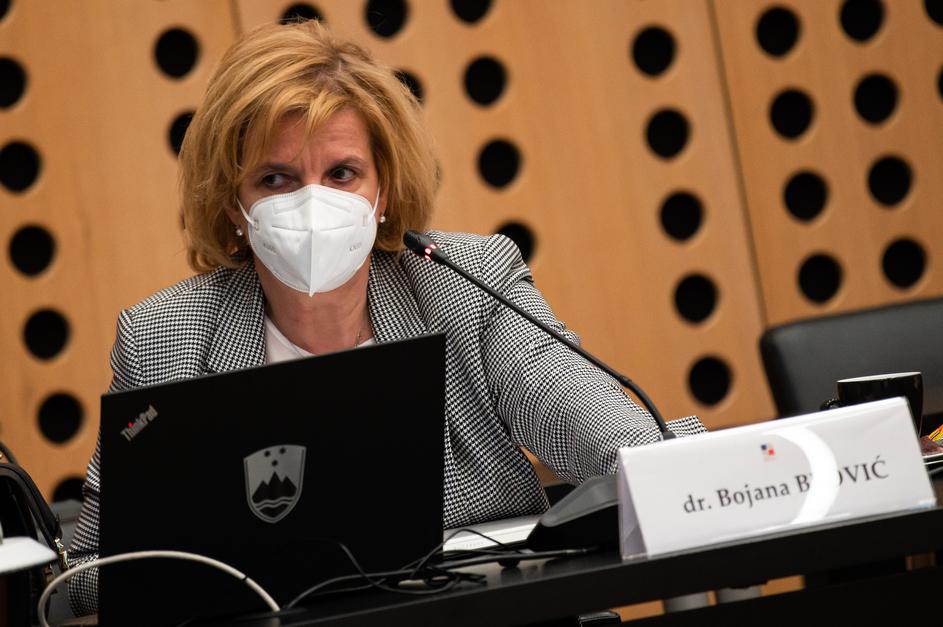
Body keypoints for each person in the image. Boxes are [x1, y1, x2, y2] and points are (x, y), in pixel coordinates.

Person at [67, 19, 705, 615]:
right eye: (276, 179)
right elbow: (88, 575)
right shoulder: (164, 337)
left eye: (342, 173)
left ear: (383, 190)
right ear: (236, 205)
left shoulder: (467, 286)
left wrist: (697, 467)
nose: (312, 203)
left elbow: (616, 445)